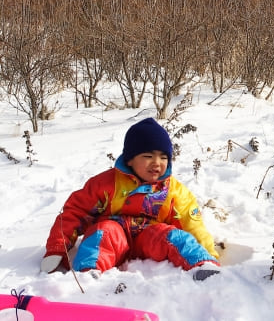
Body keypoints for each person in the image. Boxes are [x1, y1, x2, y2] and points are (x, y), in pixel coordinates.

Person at [41, 117, 220, 281]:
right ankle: (87, 276)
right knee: (101, 234)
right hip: (115, 233)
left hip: (150, 236)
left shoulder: (174, 191)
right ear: (130, 160)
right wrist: (57, 247)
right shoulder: (105, 183)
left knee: (175, 236)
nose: (157, 162)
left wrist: (208, 251)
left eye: (163, 157)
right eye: (148, 156)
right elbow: (75, 212)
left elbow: (192, 223)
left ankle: (203, 265)